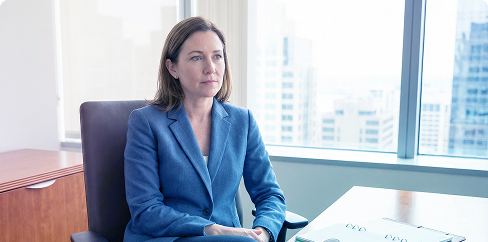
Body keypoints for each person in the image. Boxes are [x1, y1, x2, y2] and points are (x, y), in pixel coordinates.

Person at [123, 16, 286, 242]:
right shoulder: (146, 123)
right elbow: (145, 210)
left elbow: (269, 194)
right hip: (168, 237)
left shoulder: (243, 121)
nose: (210, 68)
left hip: (230, 239)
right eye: (197, 57)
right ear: (173, 68)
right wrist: (211, 229)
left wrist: (265, 232)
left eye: (217, 56)